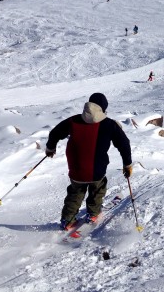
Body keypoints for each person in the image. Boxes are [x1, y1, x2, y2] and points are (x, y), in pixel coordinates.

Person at [46, 93, 132, 230]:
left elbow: (55, 133)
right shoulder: (109, 124)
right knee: (97, 191)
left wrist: (50, 148)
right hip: (97, 170)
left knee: (75, 193)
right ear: (103, 108)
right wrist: (127, 164)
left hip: (76, 169)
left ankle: (67, 220)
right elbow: (124, 144)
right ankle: (93, 214)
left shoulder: (73, 120)